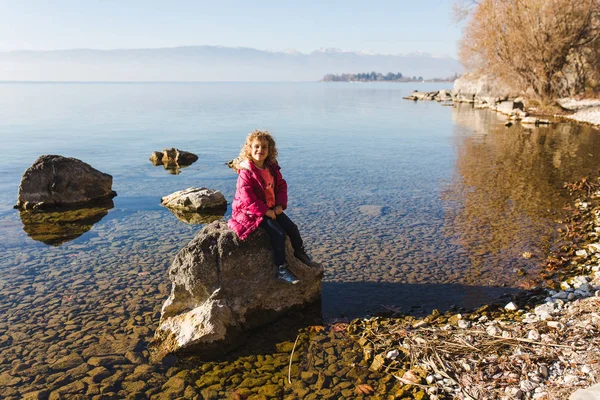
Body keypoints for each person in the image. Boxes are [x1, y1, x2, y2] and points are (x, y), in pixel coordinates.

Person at [228, 130, 311, 284]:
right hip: (252, 211)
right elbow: (247, 198)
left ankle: (299, 253)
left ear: (270, 150)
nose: (260, 150)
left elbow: (281, 186)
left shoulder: (271, 168)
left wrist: (279, 205)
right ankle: (281, 269)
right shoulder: (246, 173)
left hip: (273, 208)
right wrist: (265, 211)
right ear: (249, 149)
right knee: (278, 233)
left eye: (264, 147)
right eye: (256, 147)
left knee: (292, 228)